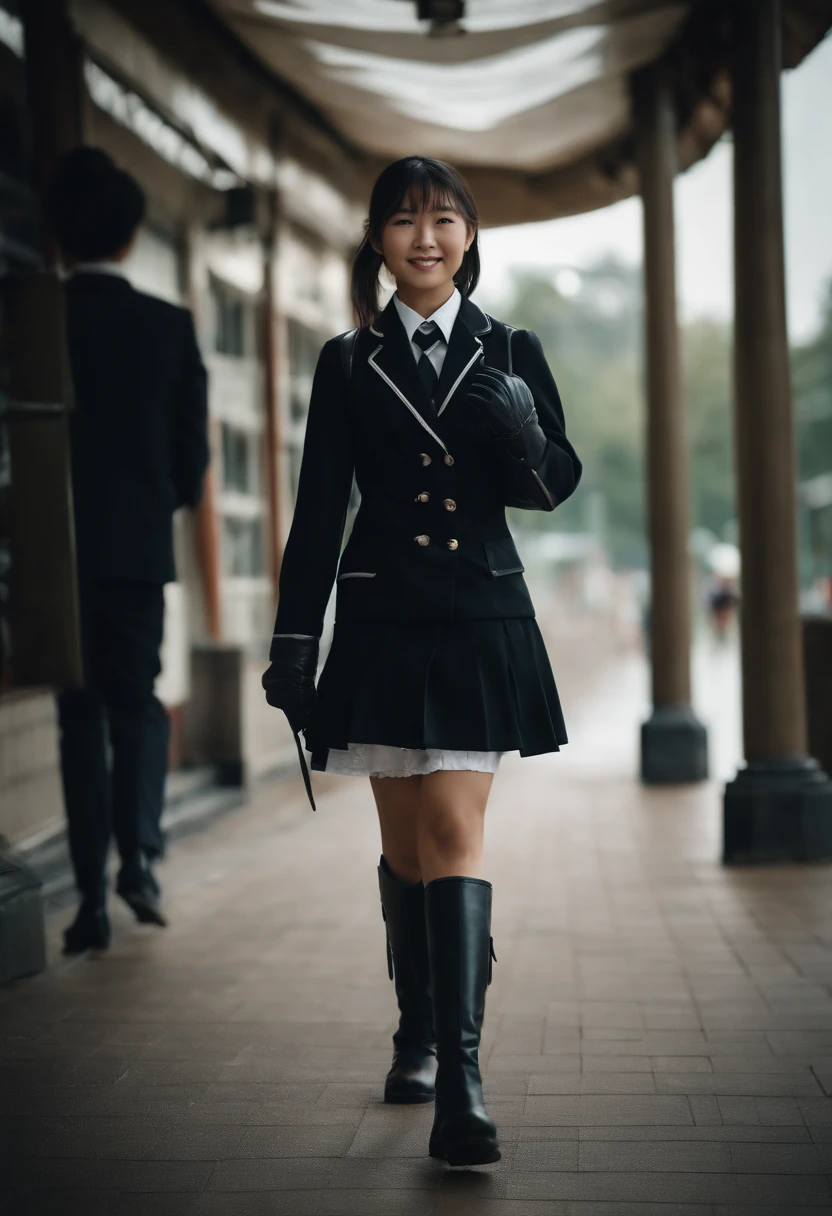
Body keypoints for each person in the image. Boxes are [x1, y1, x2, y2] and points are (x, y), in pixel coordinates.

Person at [262, 157, 581, 1168]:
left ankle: (464, 1082)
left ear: (471, 235)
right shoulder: (347, 363)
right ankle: (417, 1028)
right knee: (405, 849)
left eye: (443, 220)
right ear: (376, 240)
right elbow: (318, 513)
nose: (425, 237)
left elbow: (553, 483)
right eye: (404, 221)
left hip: (480, 615)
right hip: (382, 621)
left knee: (452, 828)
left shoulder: (509, 345)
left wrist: (520, 427)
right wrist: (292, 644)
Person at [45, 147, 209, 954]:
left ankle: (87, 905)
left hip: (56, 555)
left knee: (78, 716)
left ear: (58, 236)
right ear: (133, 234)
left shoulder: (34, 319)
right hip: (139, 551)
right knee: (138, 704)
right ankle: (140, 857)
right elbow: (192, 463)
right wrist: (152, 509)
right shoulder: (168, 327)